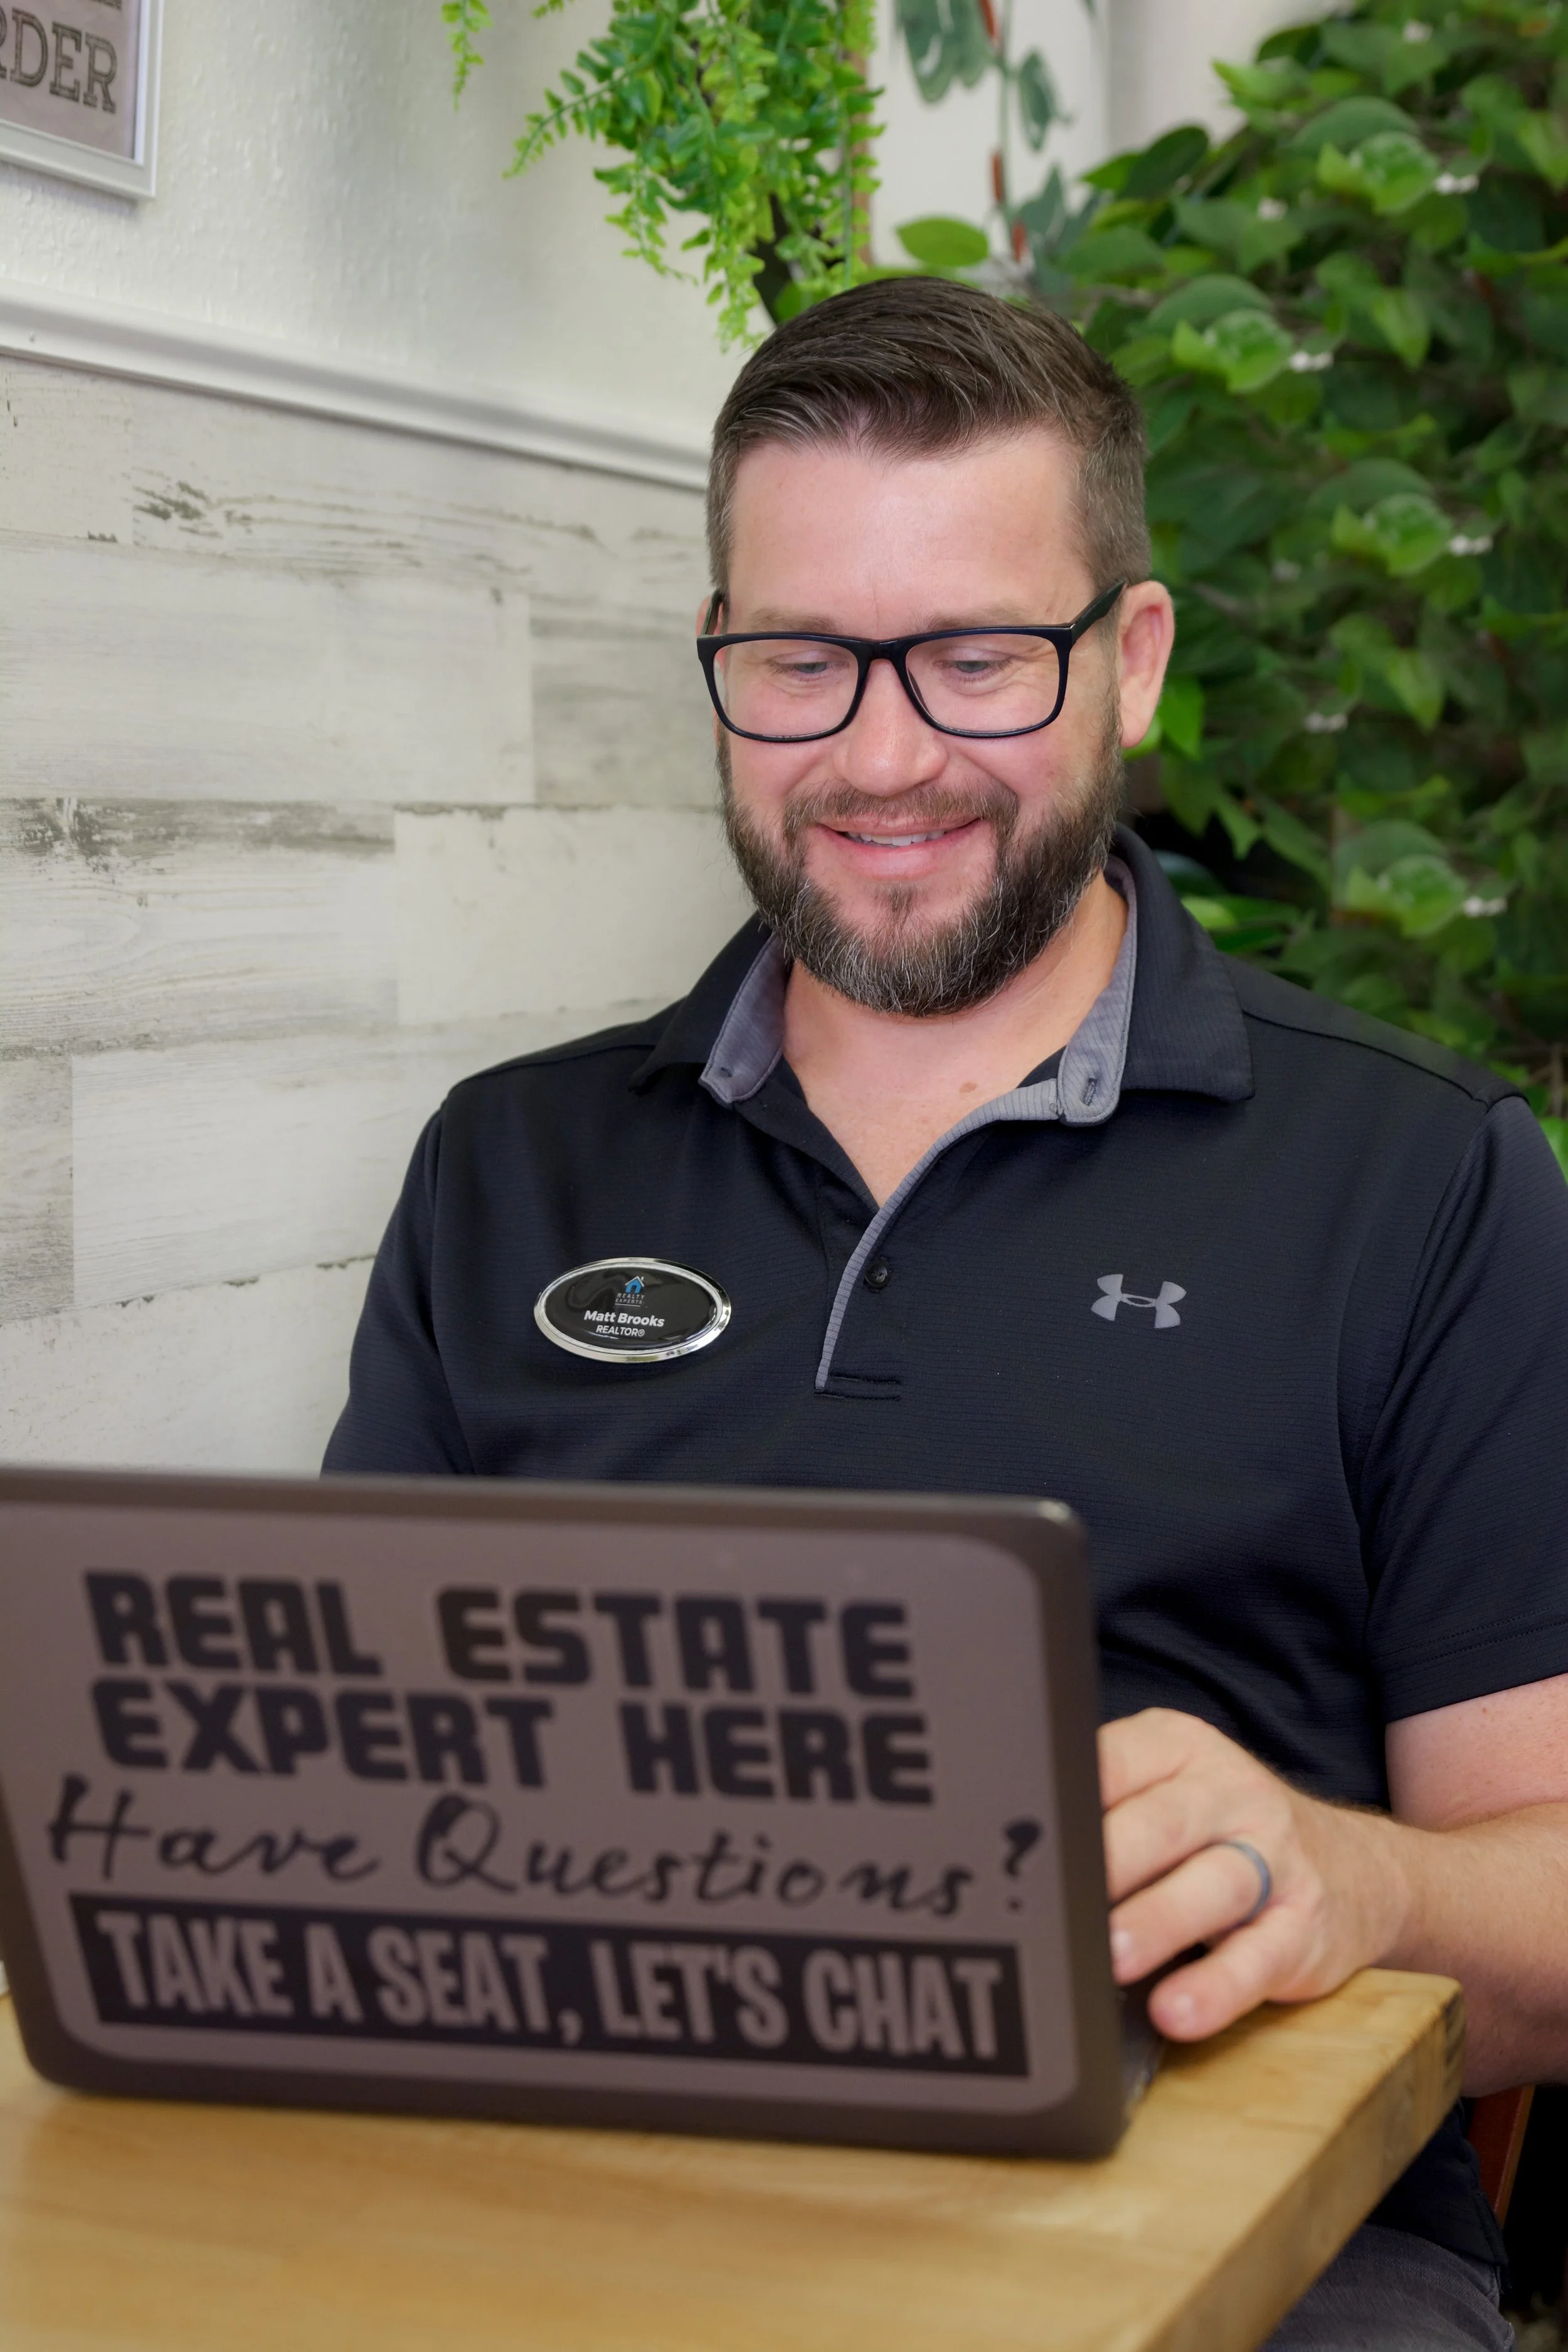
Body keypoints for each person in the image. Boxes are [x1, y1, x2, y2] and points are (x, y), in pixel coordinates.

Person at [326, 278, 1568, 2349]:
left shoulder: (1423, 1174)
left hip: (1244, 2253)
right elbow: (349, 1797)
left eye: (977, 658)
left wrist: (1357, 1879)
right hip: (570, 2204)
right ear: (718, 662)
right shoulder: (503, 1163)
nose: (881, 755)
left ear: (1130, 660)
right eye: (800, 657)